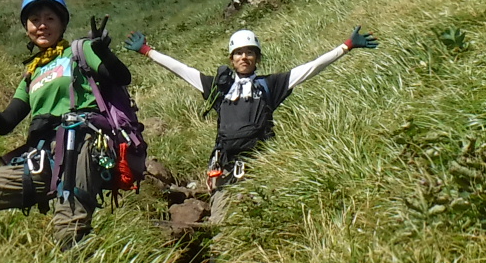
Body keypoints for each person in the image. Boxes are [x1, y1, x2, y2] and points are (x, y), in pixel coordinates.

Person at [122, 25, 377, 223]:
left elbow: (312, 67)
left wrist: (346, 46)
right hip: (225, 167)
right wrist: (147, 51)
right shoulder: (217, 87)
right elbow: (180, 68)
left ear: (257, 57)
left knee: (258, 215)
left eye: (249, 52)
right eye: (239, 53)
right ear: (232, 58)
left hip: (260, 165)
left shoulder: (271, 85)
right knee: (222, 219)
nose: (244, 57)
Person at [0, 0, 131, 252]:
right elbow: (5, 124)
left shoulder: (79, 51)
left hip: (81, 144)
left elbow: (122, 77)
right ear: (27, 27)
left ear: (62, 23)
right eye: (35, 20)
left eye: (50, 18)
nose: (42, 25)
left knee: (68, 227)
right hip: (42, 157)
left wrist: (103, 52)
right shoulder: (31, 74)